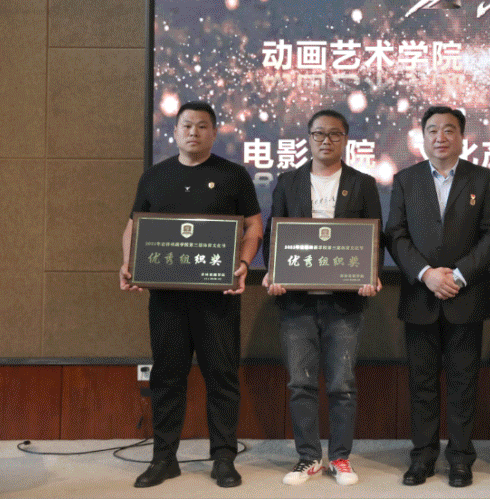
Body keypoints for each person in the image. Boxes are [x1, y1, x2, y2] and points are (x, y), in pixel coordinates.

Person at [119, 101, 263, 489]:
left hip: (218, 297)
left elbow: (254, 226)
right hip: (167, 299)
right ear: (175, 132)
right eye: (186, 125)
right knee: (167, 376)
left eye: (202, 126)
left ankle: (223, 459)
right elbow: (133, 227)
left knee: (222, 377)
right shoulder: (155, 176)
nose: (193, 132)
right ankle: (164, 459)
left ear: (214, 133)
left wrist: (244, 263)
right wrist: (129, 263)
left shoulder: (234, 175)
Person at [261, 109, 383, 487]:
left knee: (341, 384)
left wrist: (370, 275)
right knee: (300, 383)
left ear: (345, 139)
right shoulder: (289, 182)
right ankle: (309, 457)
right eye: (318, 134)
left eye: (334, 134)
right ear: (308, 138)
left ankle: (341, 457)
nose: (325, 141)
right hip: (297, 302)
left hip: (344, 303)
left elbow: (375, 237)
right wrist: (274, 272)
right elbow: (274, 233)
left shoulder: (362, 184)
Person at [384, 106, 490, 488]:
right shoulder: (406, 180)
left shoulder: (483, 179)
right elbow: (395, 235)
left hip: (465, 297)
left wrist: (459, 275)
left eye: (449, 130)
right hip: (420, 298)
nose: (441, 137)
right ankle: (422, 457)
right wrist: (426, 274)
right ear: (422, 137)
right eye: (433, 130)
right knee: (421, 384)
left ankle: (461, 459)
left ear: (461, 137)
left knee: (463, 384)